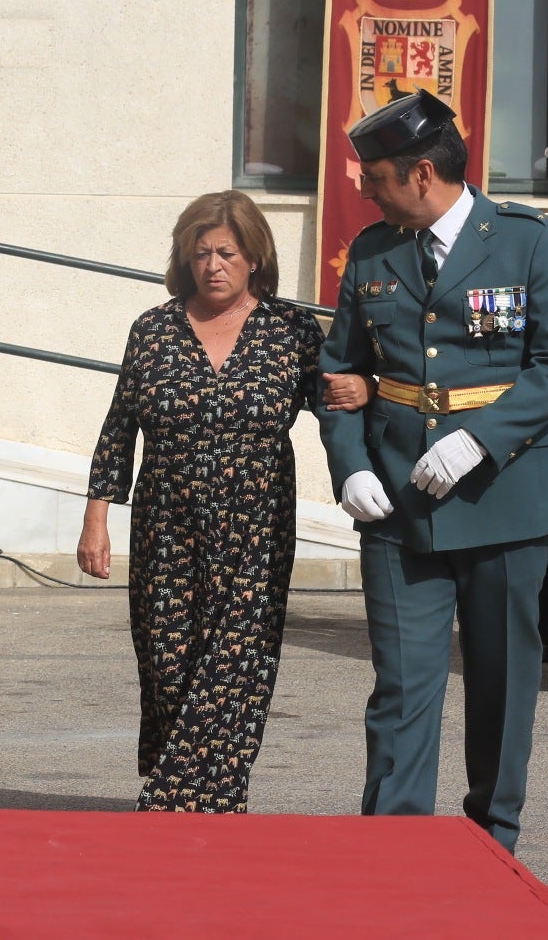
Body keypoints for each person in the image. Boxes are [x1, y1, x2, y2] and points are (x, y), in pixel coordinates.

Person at [315, 90, 548, 851]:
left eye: (376, 176)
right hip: (400, 505)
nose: (365, 188)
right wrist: (348, 465)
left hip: (505, 500)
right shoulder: (373, 250)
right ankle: (395, 850)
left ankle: (491, 841)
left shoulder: (532, 243)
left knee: (501, 686)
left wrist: (479, 438)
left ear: (422, 172)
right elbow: (337, 377)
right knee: (403, 687)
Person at [78, 192, 349, 813]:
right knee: (169, 664)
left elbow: (335, 406)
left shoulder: (291, 331)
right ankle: (187, 788)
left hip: (256, 528)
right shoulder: (153, 330)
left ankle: (198, 797)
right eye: (199, 253)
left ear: (254, 256)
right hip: (165, 524)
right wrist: (97, 518)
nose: (213, 265)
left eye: (226, 252)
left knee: (237, 661)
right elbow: (120, 428)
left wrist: (362, 393)